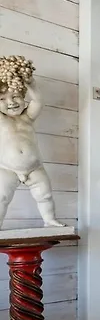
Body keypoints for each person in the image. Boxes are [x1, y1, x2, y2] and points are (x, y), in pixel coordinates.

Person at [0, 56, 63, 228]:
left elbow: (38, 101)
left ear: (23, 96)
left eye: (15, 96)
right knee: (1, 197)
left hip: (34, 167)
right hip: (7, 168)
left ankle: (49, 221)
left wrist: (30, 83)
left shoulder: (27, 116)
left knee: (45, 195)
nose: (11, 102)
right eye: (2, 99)